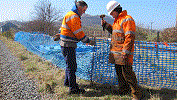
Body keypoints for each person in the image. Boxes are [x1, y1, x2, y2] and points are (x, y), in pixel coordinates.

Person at [101, 1, 149, 100]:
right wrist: (106, 25)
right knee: (119, 73)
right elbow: (115, 33)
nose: (110, 14)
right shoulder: (117, 20)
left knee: (128, 74)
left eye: (111, 12)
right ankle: (123, 90)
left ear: (116, 10)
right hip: (116, 53)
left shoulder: (127, 19)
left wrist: (125, 52)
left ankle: (137, 94)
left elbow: (130, 36)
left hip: (123, 53)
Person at [57, 0, 95, 94]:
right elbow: (78, 33)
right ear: (79, 8)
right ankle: (73, 89)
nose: (84, 12)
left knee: (69, 65)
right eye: (84, 9)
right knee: (72, 67)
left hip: (66, 44)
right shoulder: (73, 16)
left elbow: (66, 29)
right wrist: (88, 41)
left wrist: (60, 34)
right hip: (68, 45)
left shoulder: (71, 14)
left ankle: (68, 82)